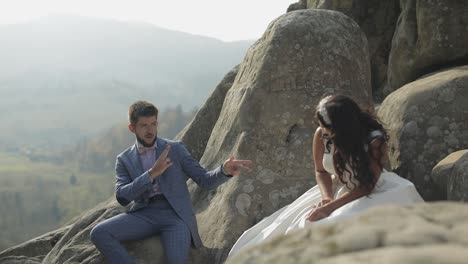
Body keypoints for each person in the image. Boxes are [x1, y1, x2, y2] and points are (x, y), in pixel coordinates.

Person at [228, 95, 423, 256]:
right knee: (299, 227)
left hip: (373, 190)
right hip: (336, 188)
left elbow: (367, 184)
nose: (322, 130)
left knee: (335, 227)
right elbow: (320, 171)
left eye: (325, 126)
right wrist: (327, 197)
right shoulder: (322, 135)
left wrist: (331, 207)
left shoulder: (373, 139)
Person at [90, 100, 252, 264]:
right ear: (132, 128)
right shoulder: (124, 159)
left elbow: (205, 180)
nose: (150, 130)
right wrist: (151, 174)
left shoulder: (174, 149)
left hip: (175, 216)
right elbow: (122, 196)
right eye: (144, 125)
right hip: (144, 214)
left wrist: (224, 170)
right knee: (99, 233)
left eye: (153, 124)